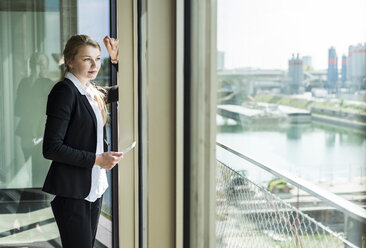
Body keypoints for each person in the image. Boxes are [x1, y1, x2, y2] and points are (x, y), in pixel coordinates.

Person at [42, 34, 121, 248]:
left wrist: (115, 61)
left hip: (94, 188)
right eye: (87, 59)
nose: (94, 65)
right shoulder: (65, 92)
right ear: (70, 60)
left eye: (98, 58)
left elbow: (127, 90)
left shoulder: (92, 91)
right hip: (72, 193)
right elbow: (51, 148)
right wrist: (97, 159)